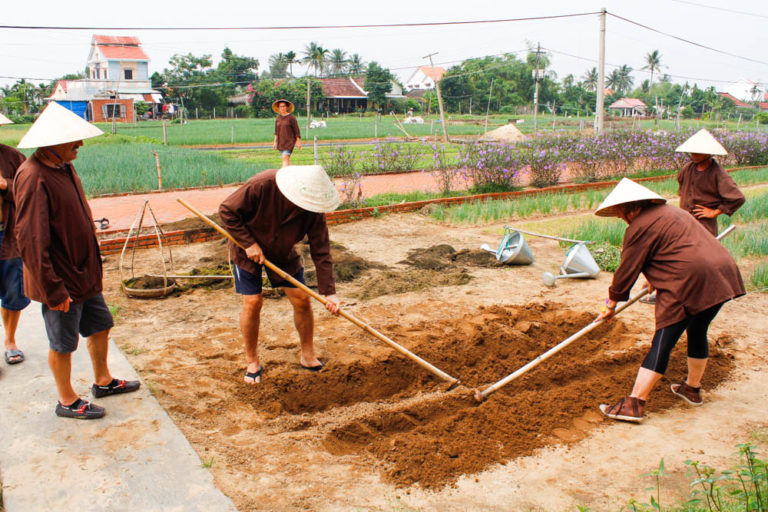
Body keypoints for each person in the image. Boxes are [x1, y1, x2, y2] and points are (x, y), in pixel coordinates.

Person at [14, 103, 139, 419]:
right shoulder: (33, 176)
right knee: (63, 343)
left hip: (83, 273)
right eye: (73, 139)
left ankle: (103, 381)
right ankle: (67, 400)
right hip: (60, 279)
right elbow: (30, 240)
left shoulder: (63, 166)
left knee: (101, 325)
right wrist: (53, 289)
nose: (80, 143)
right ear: (53, 141)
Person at [594, 178, 744, 423]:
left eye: (620, 212)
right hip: (721, 274)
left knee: (664, 339)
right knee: (698, 330)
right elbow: (674, 249)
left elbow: (626, 272)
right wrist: (655, 275)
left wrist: (610, 304)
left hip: (688, 281)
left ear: (632, 207)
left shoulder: (639, 227)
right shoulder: (673, 212)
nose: (620, 217)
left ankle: (634, 403)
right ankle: (692, 389)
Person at [219, 165, 341, 385]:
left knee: (302, 299)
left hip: (282, 251)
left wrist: (329, 293)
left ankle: (307, 356)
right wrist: (249, 244)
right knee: (253, 302)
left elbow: (321, 251)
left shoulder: (313, 210)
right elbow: (227, 210)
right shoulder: (263, 184)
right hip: (246, 248)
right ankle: (252, 361)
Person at [0, 113, 31, 369]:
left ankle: (10, 341)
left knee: (12, 291)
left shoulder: (12, 157)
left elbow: (29, 190)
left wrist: (5, 185)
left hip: (7, 235)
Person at [676, 128, 745, 237]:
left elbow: (737, 198)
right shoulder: (687, 168)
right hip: (685, 223)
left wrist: (714, 212)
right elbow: (681, 187)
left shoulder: (718, 173)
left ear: (707, 153)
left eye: (698, 153)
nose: (694, 155)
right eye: (692, 152)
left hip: (704, 225)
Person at [272, 99, 301, 168]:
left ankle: (283, 173)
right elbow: (276, 131)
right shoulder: (278, 118)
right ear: (279, 108)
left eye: (284, 106)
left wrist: (298, 141)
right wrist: (275, 142)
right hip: (281, 142)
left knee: (285, 158)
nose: (282, 108)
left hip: (289, 142)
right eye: (280, 106)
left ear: (287, 107)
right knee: (285, 159)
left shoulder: (291, 118)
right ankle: (288, 173)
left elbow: (296, 130)